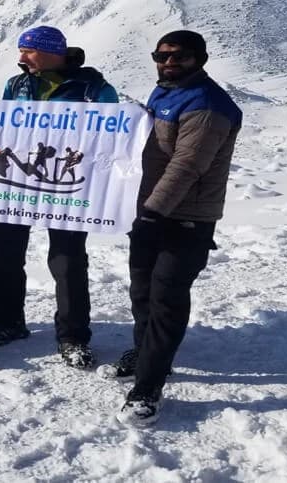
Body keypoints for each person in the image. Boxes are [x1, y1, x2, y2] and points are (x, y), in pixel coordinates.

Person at [101, 30, 242, 425]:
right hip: (149, 212)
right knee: (142, 291)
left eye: (179, 56)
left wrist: (152, 212)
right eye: (161, 56)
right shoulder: (164, 92)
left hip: (186, 218)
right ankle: (145, 353)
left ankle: (149, 386)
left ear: (201, 58)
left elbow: (186, 166)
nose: (168, 62)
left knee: (165, 298)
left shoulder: (208, 105)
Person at [0, 25, 118, 369]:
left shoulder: (93, 88)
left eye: (27, 51)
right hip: (18, 182)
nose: (21, 58)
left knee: (68, 260)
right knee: (4, 254)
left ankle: (73, 336)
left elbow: (114, 133)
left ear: (49, 51)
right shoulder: (17, 85)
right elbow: (5, 125)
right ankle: (9, 323)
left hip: (66, 185)